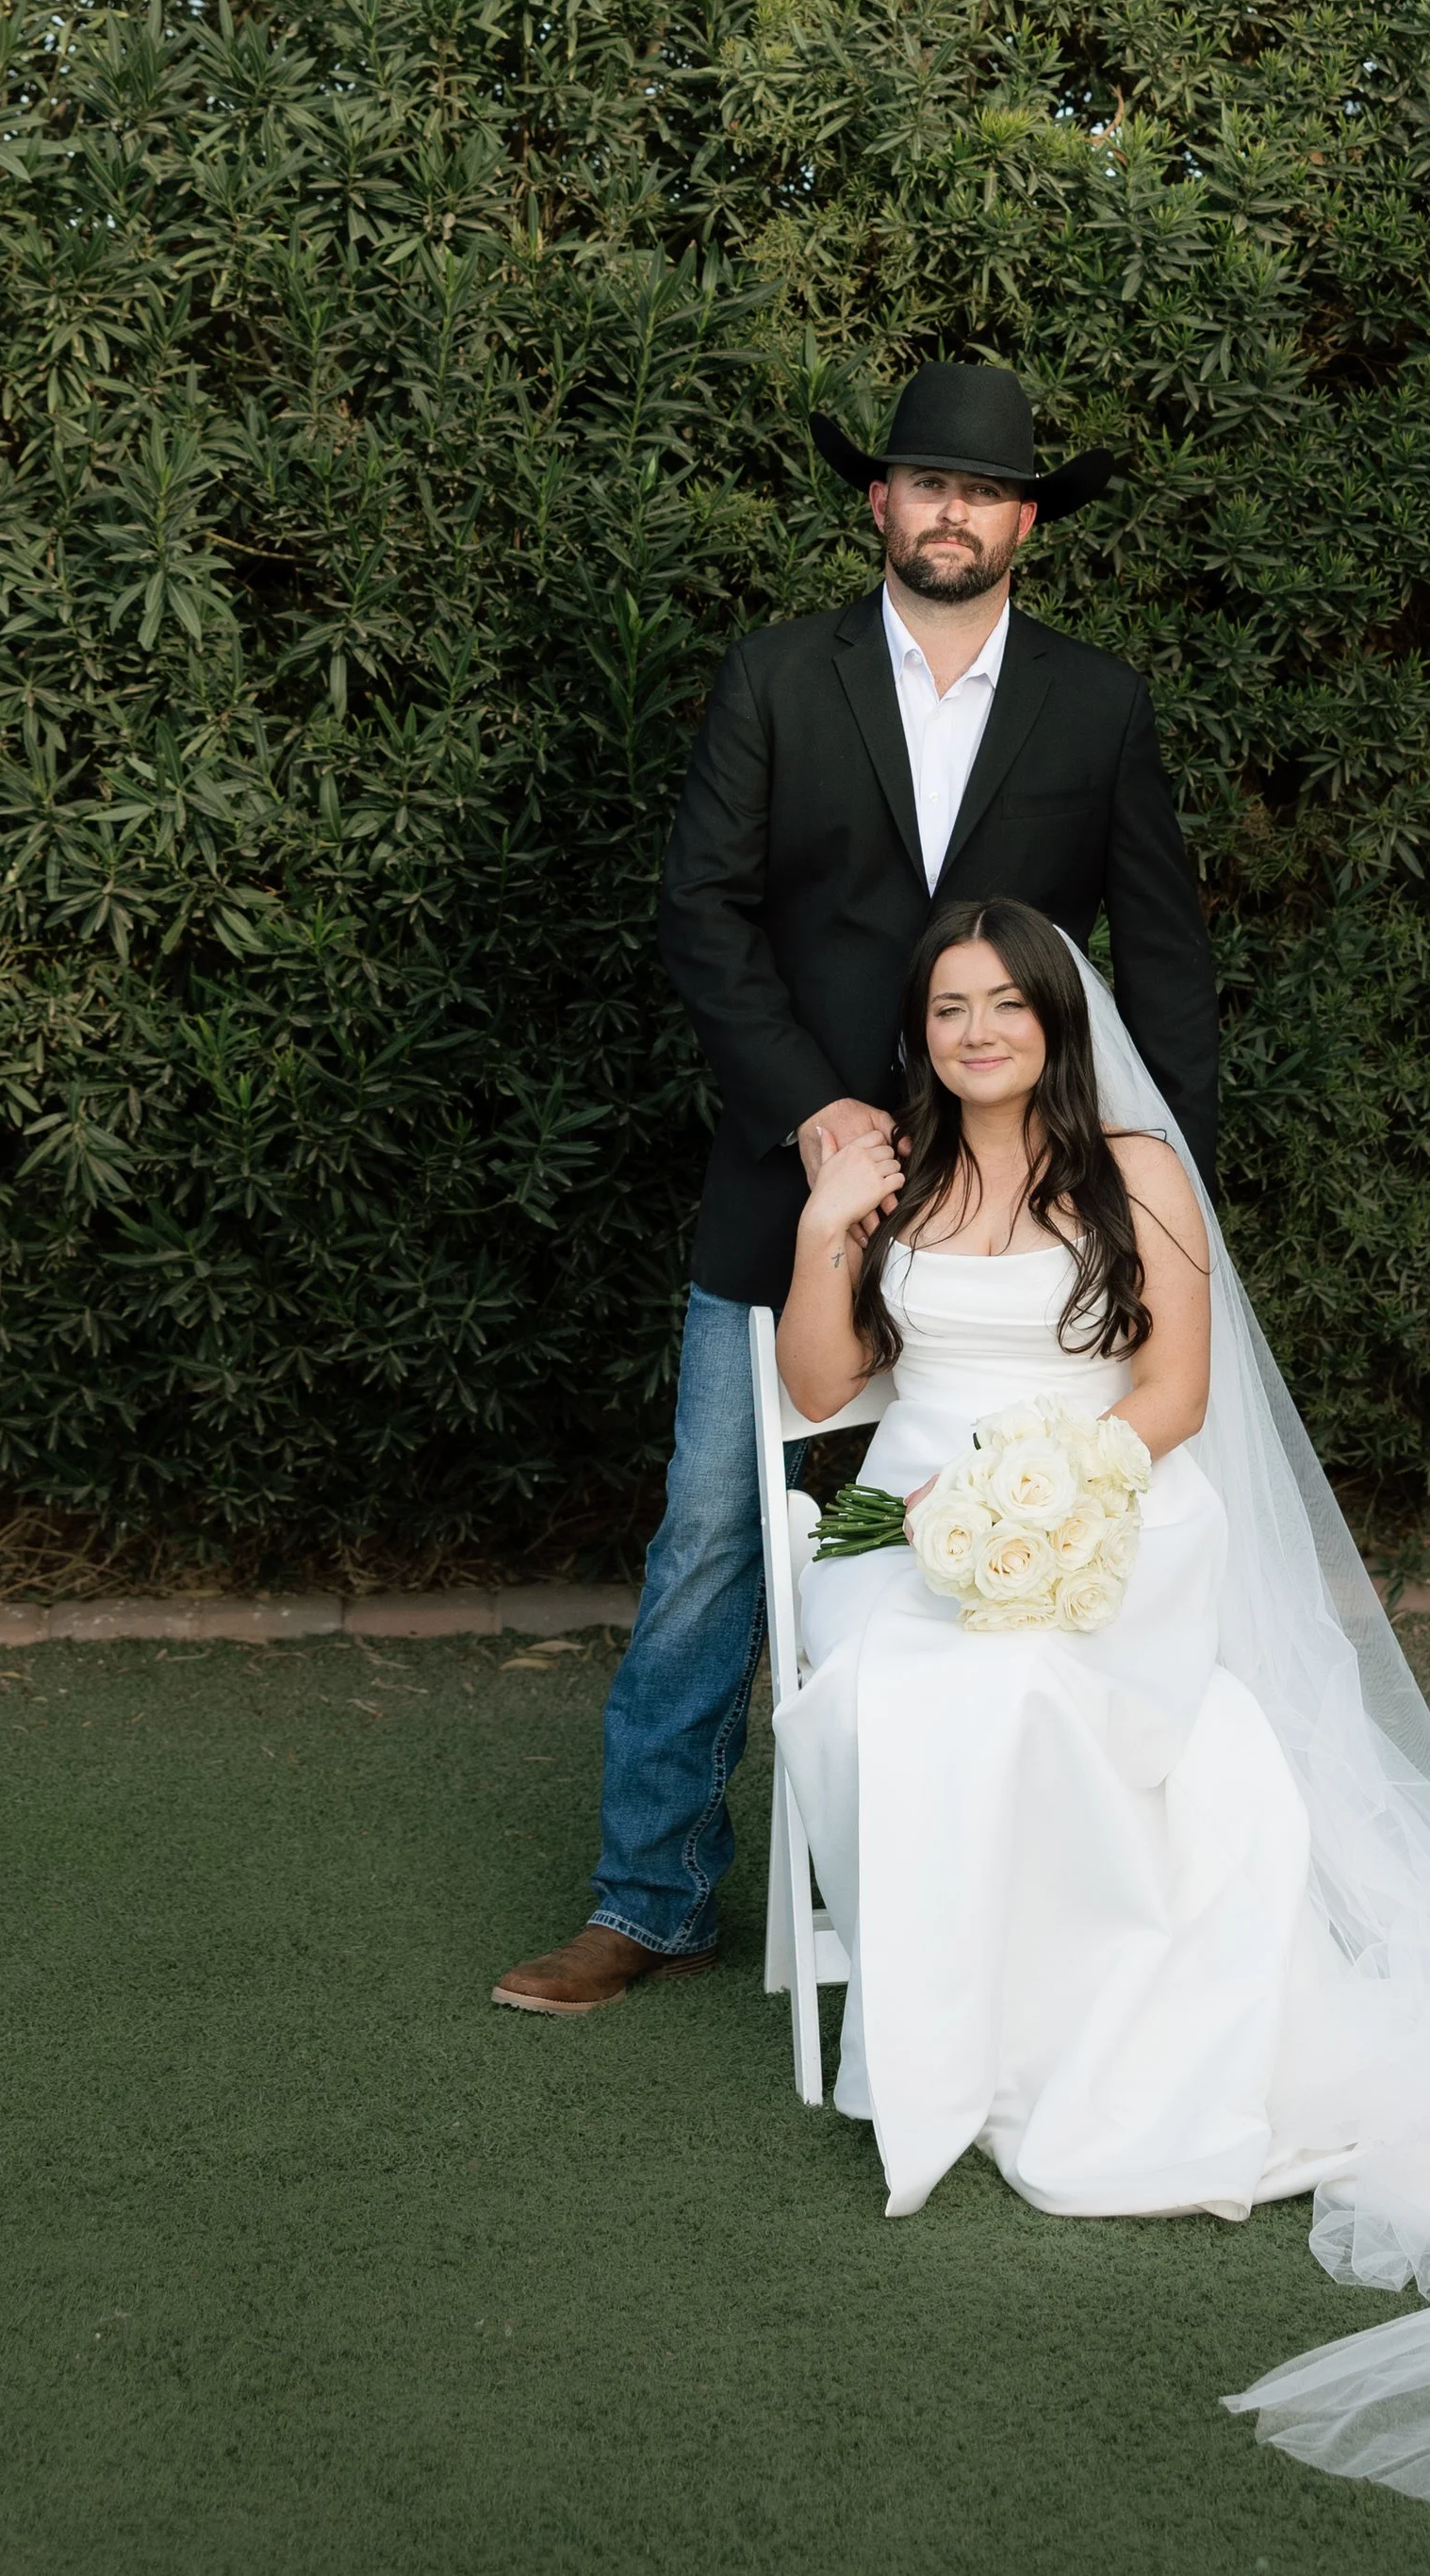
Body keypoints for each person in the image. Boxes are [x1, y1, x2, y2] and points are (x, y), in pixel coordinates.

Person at [771, 897, 1430, 2534]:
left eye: (1006, 1004)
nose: (977, 1032)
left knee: (1030, 1679)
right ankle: (977, 2029)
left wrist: (1056, 1492)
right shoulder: (894, 1175)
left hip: (1113, 1505)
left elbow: (1172, 1393)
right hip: (903, 1526)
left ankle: (1053, 2038)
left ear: (1054, 1021)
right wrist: (827, 1224)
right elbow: (822, 1391)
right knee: (921, 1676)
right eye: (949, 1008)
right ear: (922, 1030)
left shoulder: (1135, 1171)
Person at [492, 365, 1218, 2017]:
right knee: (712, 1534)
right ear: (880, 503)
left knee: (1009, 1524)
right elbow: (702, 912)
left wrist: (1163, 1194)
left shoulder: (1099, 704)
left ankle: (1040, 1900)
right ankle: (649, 1900)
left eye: (987, 489)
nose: (954, 510)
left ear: (1026, 523)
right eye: (926, 481)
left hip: (1030, 1218)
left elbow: (1164, 961)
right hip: (789, 1188)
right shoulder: (776, 677)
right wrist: (814, 1111)